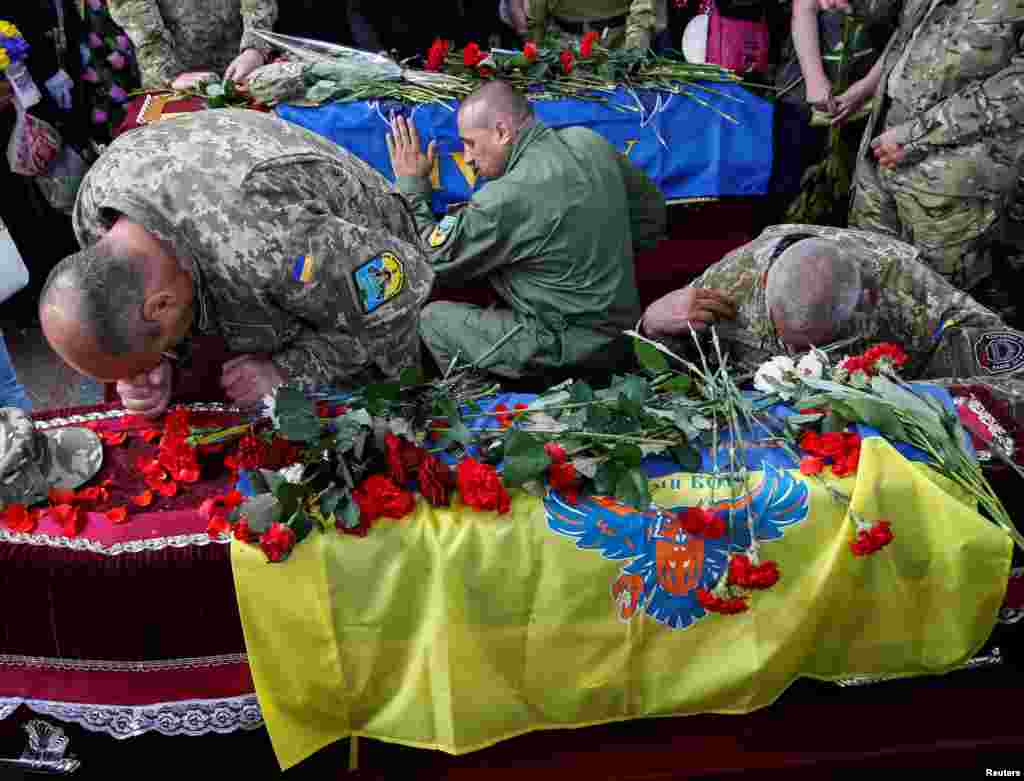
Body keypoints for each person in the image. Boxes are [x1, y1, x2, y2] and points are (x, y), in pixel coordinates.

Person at [38, 109, 433, 418]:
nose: (135, 379)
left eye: (144, 363)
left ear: (160, 306)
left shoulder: (273, 244)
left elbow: (401, 291)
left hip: (359, 246)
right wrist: (157, 365)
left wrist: (287, 371)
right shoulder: (96, 205)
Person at [386, 80, 665, 380]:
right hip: (624, 334)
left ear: (503, 132)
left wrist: (412, 185)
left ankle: (481, 408)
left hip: (570, 353)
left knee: (435, 321)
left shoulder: (505, 197)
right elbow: (652, 217)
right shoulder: (589, 141)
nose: (467, 158)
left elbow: (431, 261)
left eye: (470, 143)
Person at [812, 0, 1024, 297]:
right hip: (881, 154)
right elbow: (904, 33)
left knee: (935, 300)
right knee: (867, 285)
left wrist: (917, 135)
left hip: (951, 181)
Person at [640, 224, 1024, 384]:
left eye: (813, 342)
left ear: (868, 301)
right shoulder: (731, 281)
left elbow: (1009, 369)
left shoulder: (906, 287)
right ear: (764, 283)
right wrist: (651, 326)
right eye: (788, 341)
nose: (796, 353)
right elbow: (662, 366)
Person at [106, 0, 277, 90]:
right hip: (176, 73)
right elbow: (132, 9)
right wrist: (166, 74)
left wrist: (255, 46)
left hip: (241, 63)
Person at [526, 0, 660, 51]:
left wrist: (635, 48)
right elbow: (536, 16)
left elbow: (644, 8)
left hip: (620, 42)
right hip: (564, 46)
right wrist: (537, 49)